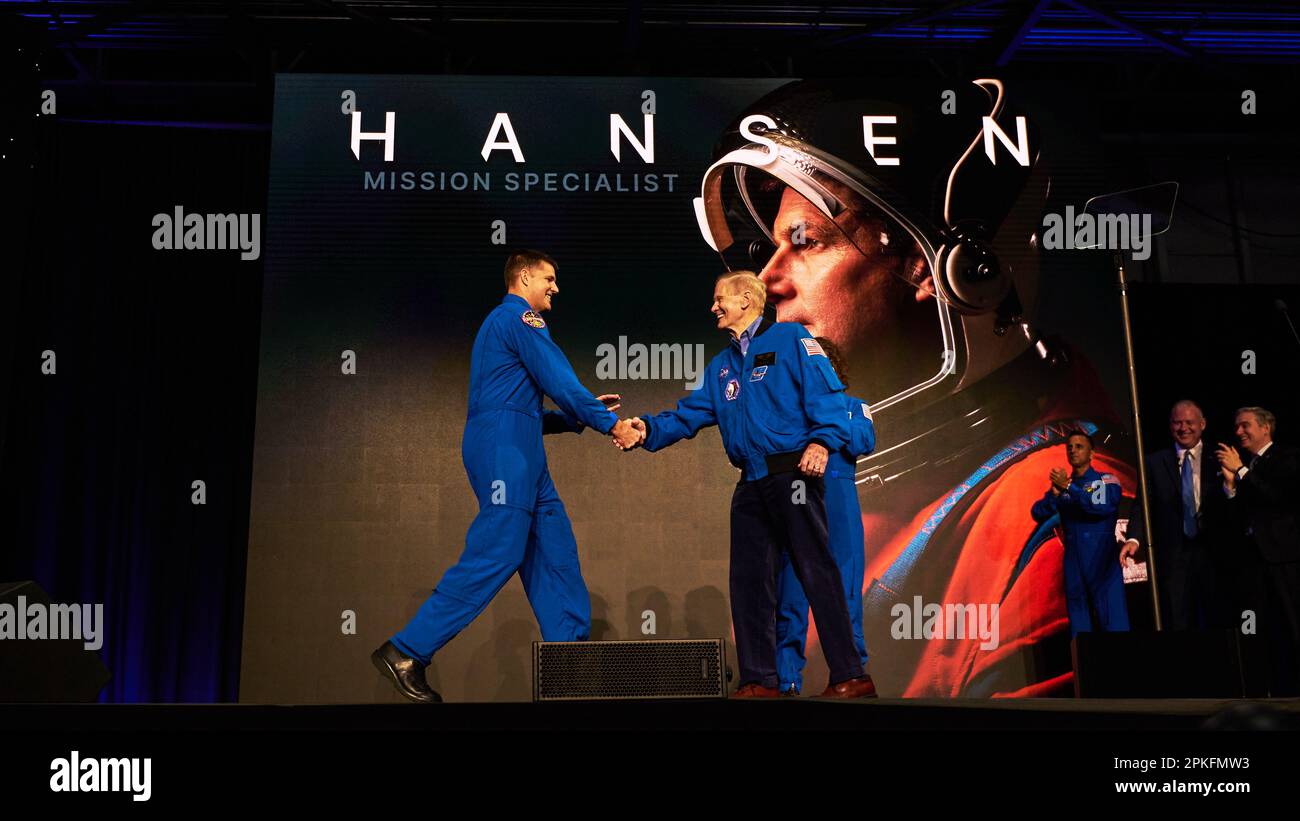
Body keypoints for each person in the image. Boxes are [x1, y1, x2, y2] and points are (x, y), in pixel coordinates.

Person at [691, 78, 1138, 696]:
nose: (767, 281)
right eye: (770, 249)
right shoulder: (858, 485)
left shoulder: (1038, 534)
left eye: (805, 242)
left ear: (936, 268)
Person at [371, 250, 641, 703]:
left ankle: (568, 667)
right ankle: (407, 651)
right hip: (504, 449)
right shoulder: (519, 319)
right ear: (523, 277)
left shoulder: (506, 327)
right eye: (549, 278)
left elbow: (525, 407)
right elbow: (557, 380)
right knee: (500, 548)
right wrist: (607, 423)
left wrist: (578, 417)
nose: (556, 287)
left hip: (521, 446)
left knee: (554, 550)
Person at [622, 271, 875, 698]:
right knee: (749, 581)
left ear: (746, 300)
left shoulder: (792, 340)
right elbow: (687, 416)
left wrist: (821, 441)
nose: (713, 307)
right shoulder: (721, 368)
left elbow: (827, 396)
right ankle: (760, 679)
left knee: (817, 571)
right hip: (751, 483)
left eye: (720, 299)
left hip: (792, 475)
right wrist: (645, 430)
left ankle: (851, 674)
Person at [774, 337, 875, 695]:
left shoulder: (854, 406)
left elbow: (865, 441)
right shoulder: (789, 411)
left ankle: (851, 676)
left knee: (846, 598)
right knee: (791, 598)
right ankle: (785, 682)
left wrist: (826, 423)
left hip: (839, 510)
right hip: (799, 506)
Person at [1118, 400, 1229, 629]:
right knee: (1177, 619)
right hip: (1173, 555)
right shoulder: (1154, 462)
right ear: (1170, 426)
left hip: (1214, 552)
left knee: (1216, 617)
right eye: (1177, 423)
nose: (1183, 428)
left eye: (1189, 422)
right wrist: (1133, 538)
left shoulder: (1219, 457)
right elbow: (1142, 504)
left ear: (1203, 424)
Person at [1216, 406, 1300, 695]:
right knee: (1264, 629)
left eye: (1245, 426)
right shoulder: (1249, 467)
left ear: (1266, 428)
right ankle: (1276, 689)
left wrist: (1240, 471)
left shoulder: (1286, 458)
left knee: (1292, 625)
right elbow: (1242, 515)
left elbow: (1275, 496)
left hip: (1284, 559)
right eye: (1236, 427)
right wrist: (1231, 488)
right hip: (1254, 562)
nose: (1238, 432)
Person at [1031, 430, 1129, 637]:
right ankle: (1085, 669)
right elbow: (1037, 512)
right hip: (1074, 563)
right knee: (1079, 630)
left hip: (1102, 562)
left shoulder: (1106, 480)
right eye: (1070, 447)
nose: (1073, 450)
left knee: (1114, 625)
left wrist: (1068, 486)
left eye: (1079, 446)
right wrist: (1055, 495)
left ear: (1092, 453)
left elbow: (1099, 506)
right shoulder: (1064, 486)